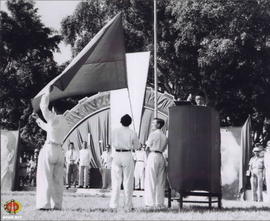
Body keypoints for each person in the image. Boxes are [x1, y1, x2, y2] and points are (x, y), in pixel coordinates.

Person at [34, 85, 69, 210]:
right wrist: (38, 121)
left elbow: (43, 107)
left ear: (54, 109)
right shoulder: (65, 121)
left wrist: (46, 93)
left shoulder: (53, 118)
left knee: (45, 177)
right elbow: (50, 128)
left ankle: (44, 204)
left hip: (50, 149)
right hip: (60, 150)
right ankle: (57, 205)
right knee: (58, 180)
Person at [110, 114, 139, 211]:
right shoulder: (132, 132)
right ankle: (128, 205)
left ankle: (113, 205)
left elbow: (112, 143)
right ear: (130, 122)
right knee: (128, 181)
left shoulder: (114, 131)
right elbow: (136, 147)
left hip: (117, 154)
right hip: (127, 155)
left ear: (120, 121)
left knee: (116, 181)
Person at [144, 118, 168, 208]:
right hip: (161, 156)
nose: (152, 125)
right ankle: (159, 203)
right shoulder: (165, 136)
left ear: (158, 125)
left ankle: (150, 203)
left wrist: (147, 158)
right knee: (160, 181)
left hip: (153, 155)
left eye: (154, 123)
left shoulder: (153, 135)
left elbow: (147, 147)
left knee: (150, 180)